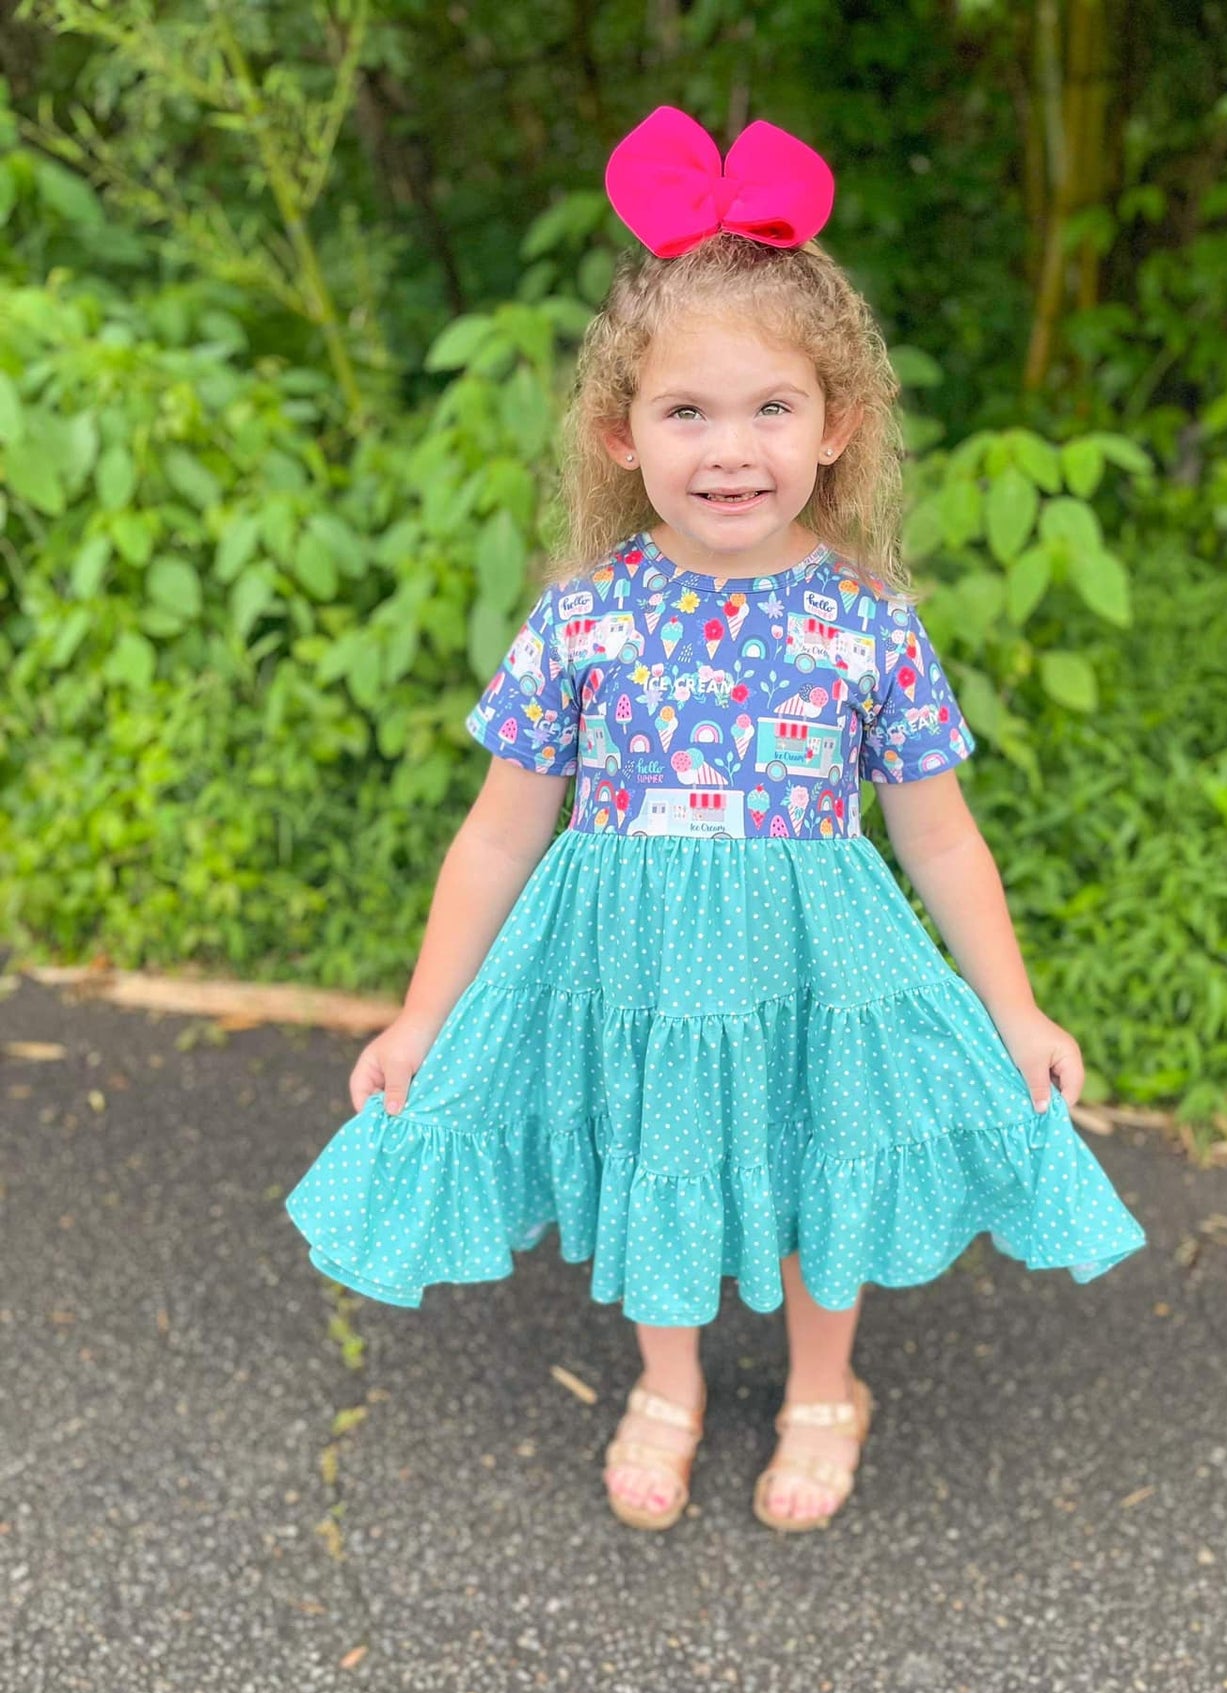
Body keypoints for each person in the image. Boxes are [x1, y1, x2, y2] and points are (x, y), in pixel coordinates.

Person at [284, 104, 1146, 1538]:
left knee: (825, 1153)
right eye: (687, 411)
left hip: (817, 964)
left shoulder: (866, 627)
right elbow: (499, 832)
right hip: (636, 969)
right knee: (656, 1159)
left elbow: (936, 836)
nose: (728, 448)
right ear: (622, 433)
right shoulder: (583, 621)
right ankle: (667, 1384)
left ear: (835, 427)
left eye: (769, 410)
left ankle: (824, 1387)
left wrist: (1014, 1009)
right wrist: (423, 1016)